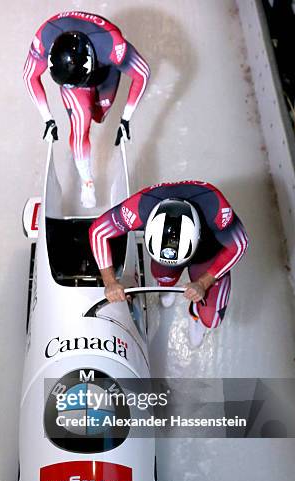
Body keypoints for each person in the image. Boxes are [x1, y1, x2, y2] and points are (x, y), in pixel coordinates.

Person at [89, 182, 249, 347]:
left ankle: (195, 313)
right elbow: (98, 232)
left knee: (212, 319)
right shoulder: (137, 209)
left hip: (208, 252)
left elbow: (239, 244)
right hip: (165, 259)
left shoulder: (217, 209)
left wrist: (203, 282)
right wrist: (110, 282)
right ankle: (167, 285)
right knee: (163, 274)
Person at [23, 11, 150, 208]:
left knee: (99, 116)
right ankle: (87, 182)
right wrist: (47, 119)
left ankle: (91, 98)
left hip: (104, 72)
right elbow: (29, 76)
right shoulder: (45, 38)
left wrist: (125, 119)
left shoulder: (112, 46)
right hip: (84, 66)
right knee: (81, 121)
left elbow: (142, 73)